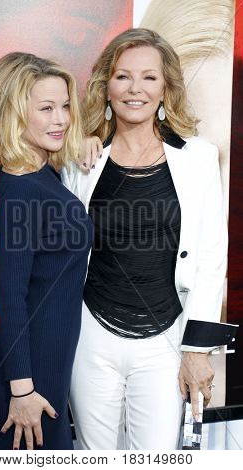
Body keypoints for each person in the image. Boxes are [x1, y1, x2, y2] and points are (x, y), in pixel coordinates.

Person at [61, 28, 229, 449]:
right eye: (123, 76)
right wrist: (75, 143)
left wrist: (198, 349)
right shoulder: (81, 159)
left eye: (149, 77)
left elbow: (211, 258)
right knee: (92, 455)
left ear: (166, 88)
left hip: (167, 340)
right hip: (89, 337)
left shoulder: (200, 159)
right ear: (107, 86)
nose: (135, 88)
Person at [0, 52, 93, 450]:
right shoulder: (21, 189)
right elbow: (12, 297)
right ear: (15, 114)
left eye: (65, 106)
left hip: (46, 363)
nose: (61, 118)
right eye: (46, 108)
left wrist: (89, 141)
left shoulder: (41, 171)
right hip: (29, 374)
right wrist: (22, 390)